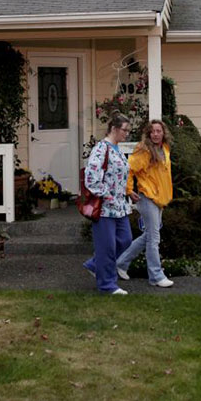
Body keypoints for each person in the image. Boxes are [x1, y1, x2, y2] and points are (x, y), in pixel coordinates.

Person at [116, 120, 174, 288]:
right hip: (147, 198)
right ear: (148, 134)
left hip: (159, 199)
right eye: (153, 131)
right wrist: (128, 190)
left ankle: (121, 263)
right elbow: (129, 169)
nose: (156, 134)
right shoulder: (144, 150)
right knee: (154, 238)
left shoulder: (164, 148)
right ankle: (156, 276)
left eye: (159, 131)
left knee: (148, 236)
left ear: (163, 133)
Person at [82, 111, 133, 295]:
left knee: (126, 239)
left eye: (128, 130)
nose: (127, 133)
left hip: (120, 207)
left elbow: (119, 176)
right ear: (114, 128)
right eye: (125, 130)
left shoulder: (118, 149)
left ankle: (95, 264)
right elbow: (91, 178)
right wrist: (107, 195)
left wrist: (128, 193)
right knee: (107, 246)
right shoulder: (101, 149)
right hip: (103, 208)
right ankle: (107, 285)